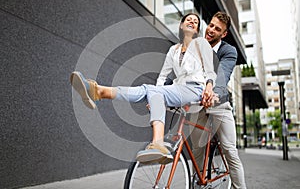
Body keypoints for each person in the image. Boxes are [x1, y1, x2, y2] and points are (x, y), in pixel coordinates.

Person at [70, 13, 216, 164]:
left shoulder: (201, 44)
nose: (192, 21)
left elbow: (210, 71)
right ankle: (99, 91)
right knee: (150, 90)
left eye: (196, 21)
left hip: (196, 89)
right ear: (181, 25)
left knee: (151, 90)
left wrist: (209, 88)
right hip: (178, 90)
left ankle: (99, 92)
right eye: (188, 20)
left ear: (197, 29)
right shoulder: (173, 50)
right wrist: (157, 97)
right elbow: (162, 77)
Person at [189, 11, 247, 188]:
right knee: (196, 151)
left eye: (217, 29)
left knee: (230, 151)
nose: (211, 30)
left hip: (218, 102)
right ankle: (197, 185)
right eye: (211, 25)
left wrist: (213, 92)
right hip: (198, 104)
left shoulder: (228, 51)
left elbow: (223, 76)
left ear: (224, 34)